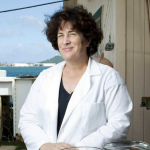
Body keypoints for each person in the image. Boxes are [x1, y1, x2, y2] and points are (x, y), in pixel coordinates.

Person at [18, 5, 132, 150]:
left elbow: (119, 123)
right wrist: (44, 145)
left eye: (72, 34)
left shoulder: (109, 77)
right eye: (60, 35)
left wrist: (80, 148)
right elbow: (28, 118)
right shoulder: (45, 77)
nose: (65, 41)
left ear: (88, 40)